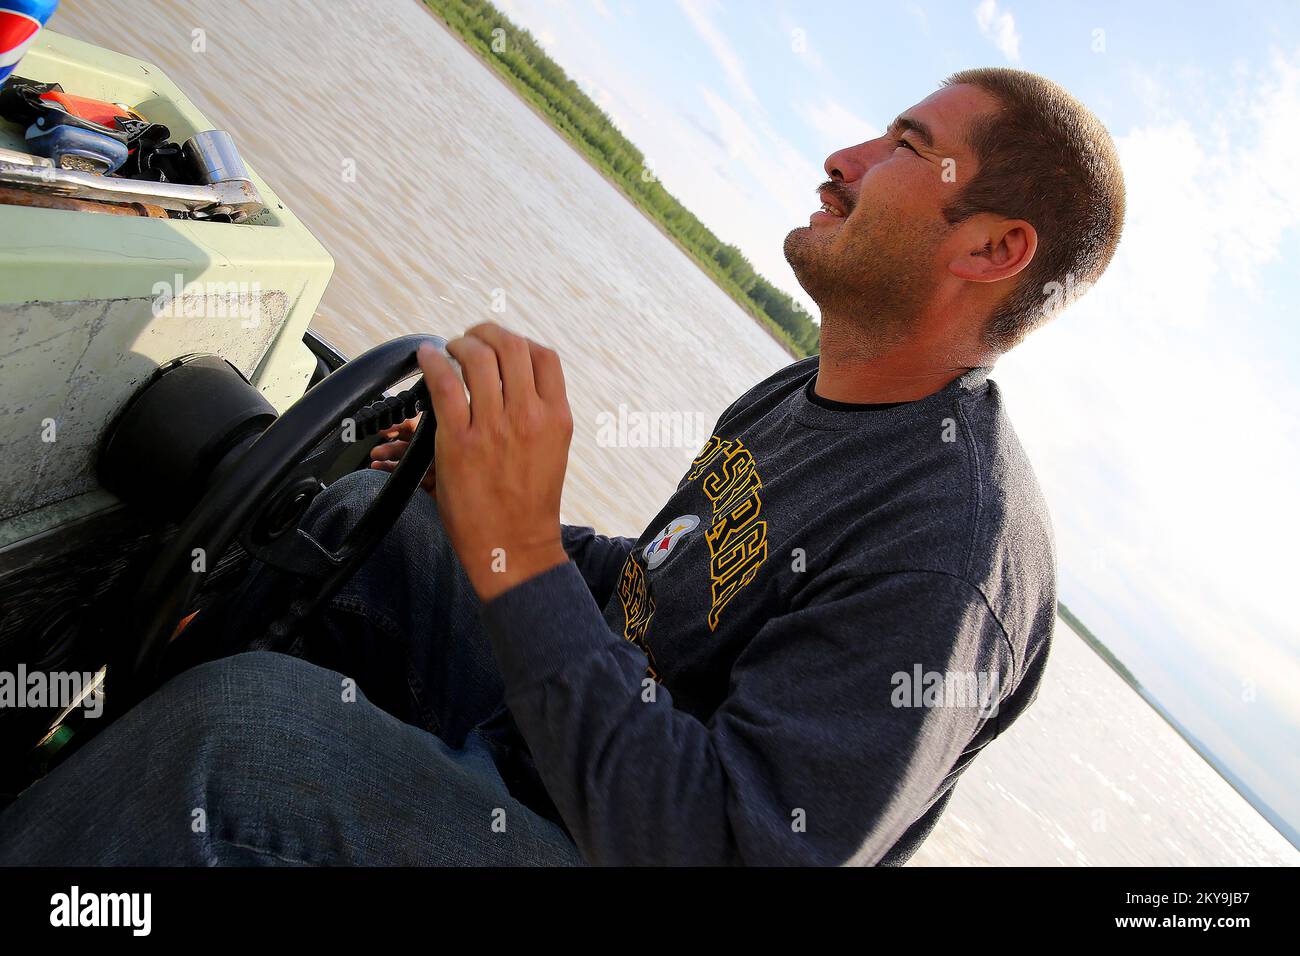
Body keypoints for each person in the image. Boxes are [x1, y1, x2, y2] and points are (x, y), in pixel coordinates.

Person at [0, 67, 1124, 866]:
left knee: (238, 740)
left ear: (991, 247)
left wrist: (520, 550)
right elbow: (667, 586)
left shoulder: (949, 554)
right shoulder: (814, 388)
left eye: (907, 147)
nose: (842, 159)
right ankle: (84, 768)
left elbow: (729, 844)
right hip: (570, 754)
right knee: (361, 519)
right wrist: (483, 500)